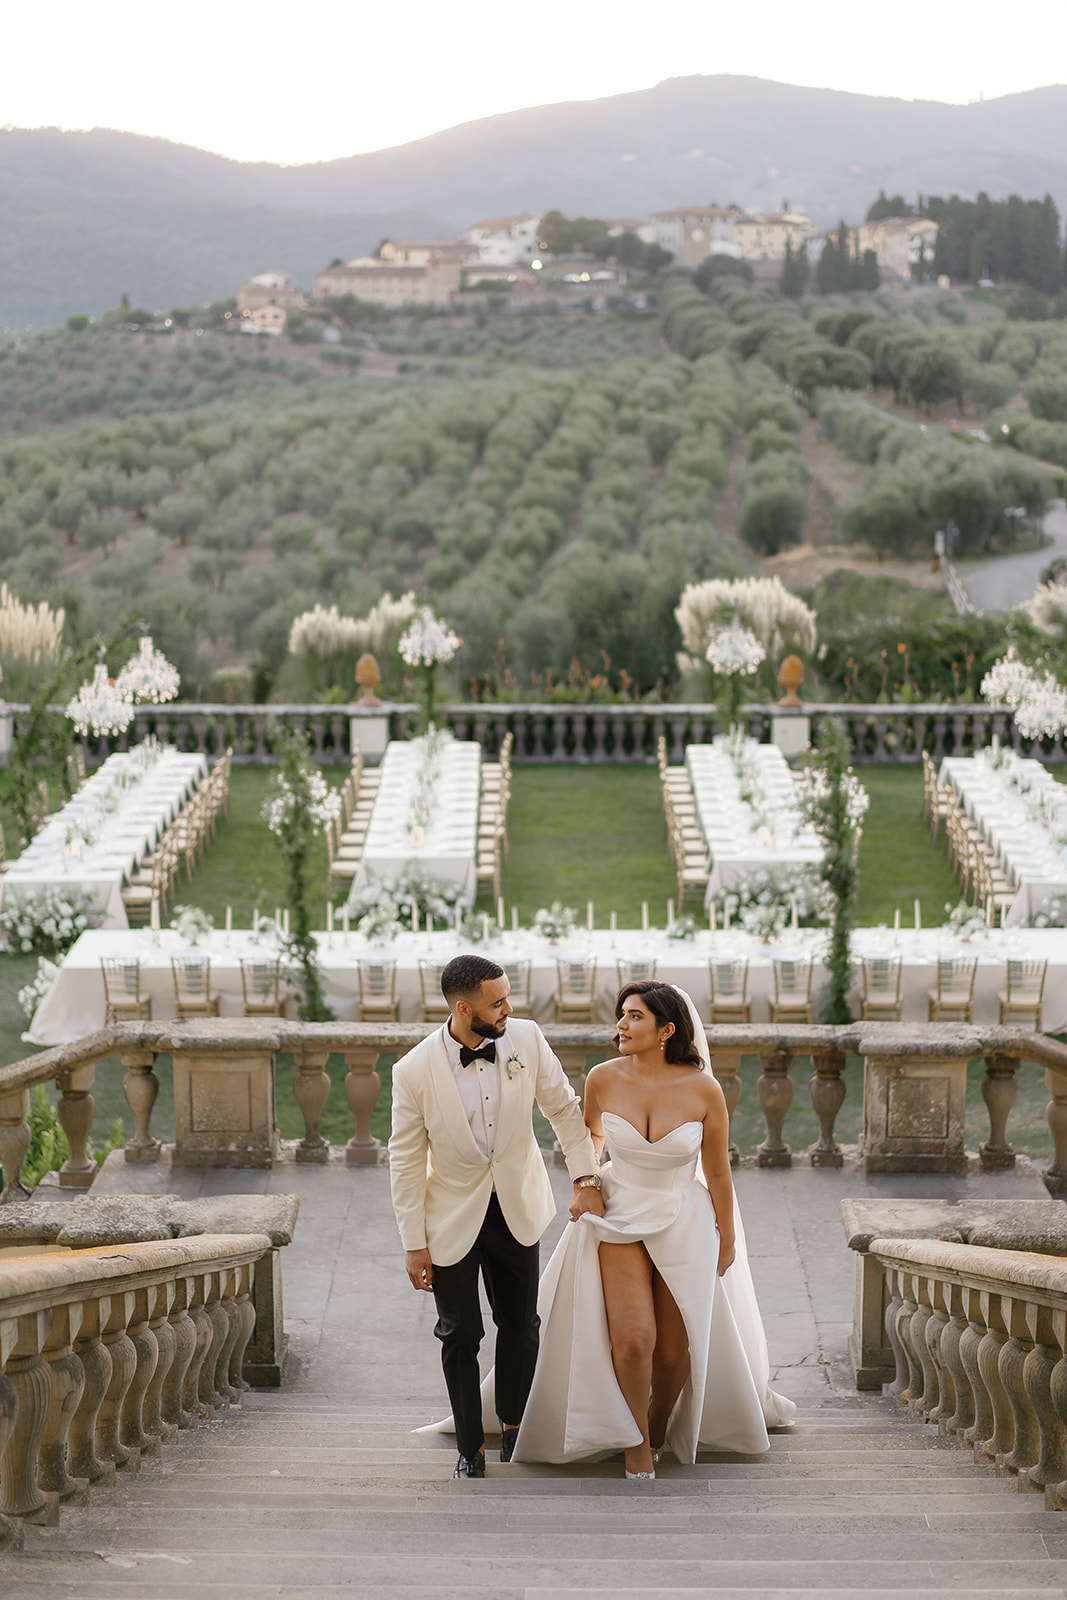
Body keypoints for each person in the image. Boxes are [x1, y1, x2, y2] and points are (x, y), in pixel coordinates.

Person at [512, 980, 795, 1477]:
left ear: (666, 1030)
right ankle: (636, 1441)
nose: (621, 1025)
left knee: (670, 1353)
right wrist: (586, 1183)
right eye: (621, 1014)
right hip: (618, 1212)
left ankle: (660, 1421)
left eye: (634, 1017)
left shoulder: (704, 1088)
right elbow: (589, 1138)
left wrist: (726, 1237)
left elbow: (720, 1172)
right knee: (635, 1340)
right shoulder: (602, 1078)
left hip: (684, 1217)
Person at [389, 953, 603, 1480]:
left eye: (507, 997)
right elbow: (406, 1160)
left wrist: (586, 1177)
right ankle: (469, 1447)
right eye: (497, 1002)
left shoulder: (526, 1039)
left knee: (521, 1325)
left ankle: (514, 1426)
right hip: (450, 1217)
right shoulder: (412, 1071)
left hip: (516, 1206)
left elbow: (565, 1111)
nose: (509, 1008)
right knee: (459, 1333)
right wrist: (413, 1243)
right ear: (464, 1009)